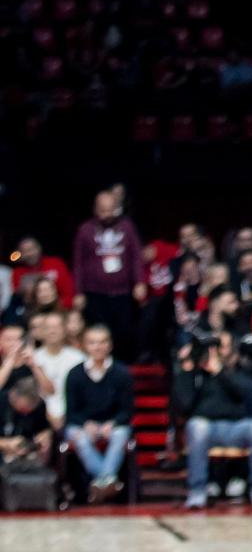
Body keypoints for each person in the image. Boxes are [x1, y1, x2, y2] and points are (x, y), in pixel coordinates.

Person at [172, 335, 252, 509]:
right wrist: (188, 370)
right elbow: (185, 405)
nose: (215, 351)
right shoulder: (197, 375)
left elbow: (247, 394)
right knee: (197, 425)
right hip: (208, 429)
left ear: (233, 352)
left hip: (238, 428)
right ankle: (197, 492)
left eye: (221, 347)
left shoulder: (243, 371)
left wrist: (220, 372)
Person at [72, 191, 146, 360]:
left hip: (123, 292)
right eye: (103, 210)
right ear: (95, 209)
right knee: (98, 331)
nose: (107, 215)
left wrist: (139, 282)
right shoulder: (85, 230)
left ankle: (123, 366)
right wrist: (78, 292)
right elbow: (78, 263)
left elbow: (136, 256)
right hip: (95, 293)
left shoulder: (127, 226)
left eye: (111, 210)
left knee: (124, 332)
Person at [64, 325, 134, 502]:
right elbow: (71, 412)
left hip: (113, 424)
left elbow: (127, 410)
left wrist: (113, 423)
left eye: (102, 342)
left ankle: (99, 483)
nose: (98, 347)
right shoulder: (75, 374)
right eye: (93, 343)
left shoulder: (121, 373)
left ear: (109, 345)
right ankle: (108, 480)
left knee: (120, 434)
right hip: (83, 424)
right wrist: (86, 424)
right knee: (78, 436)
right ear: (85, 346)